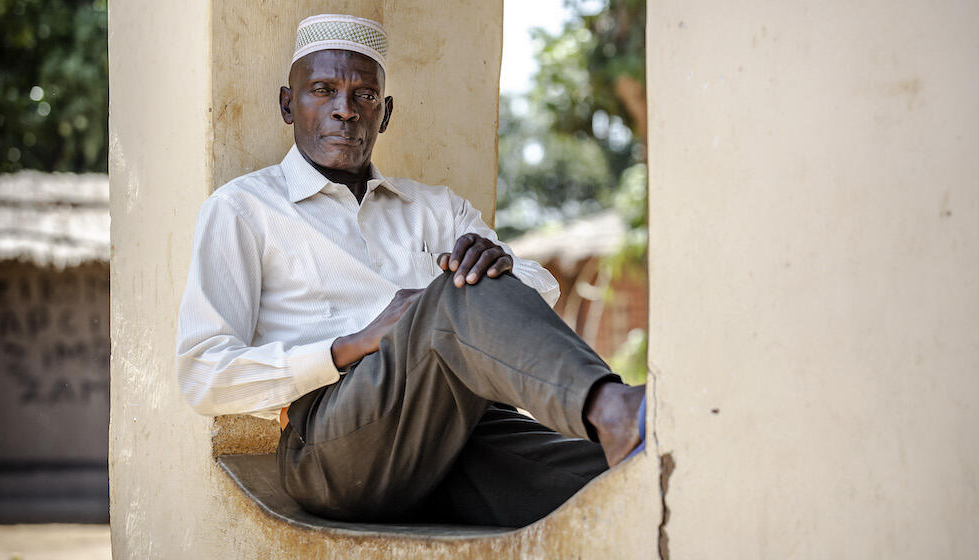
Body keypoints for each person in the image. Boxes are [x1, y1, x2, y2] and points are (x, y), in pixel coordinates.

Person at [176, 13, 646, 528]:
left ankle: (631, 424)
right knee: (454, 293)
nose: (344, 111)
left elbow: (535, 288)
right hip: (333, 446)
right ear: (289, 104)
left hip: (458, 432)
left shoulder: (437, 209)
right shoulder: (243, 209)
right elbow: (204, 375)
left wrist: (503, 264)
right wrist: (354, 343)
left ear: (386, 112)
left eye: (364, 96)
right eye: (323, 90)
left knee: (627, 473)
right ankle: (613, 406)